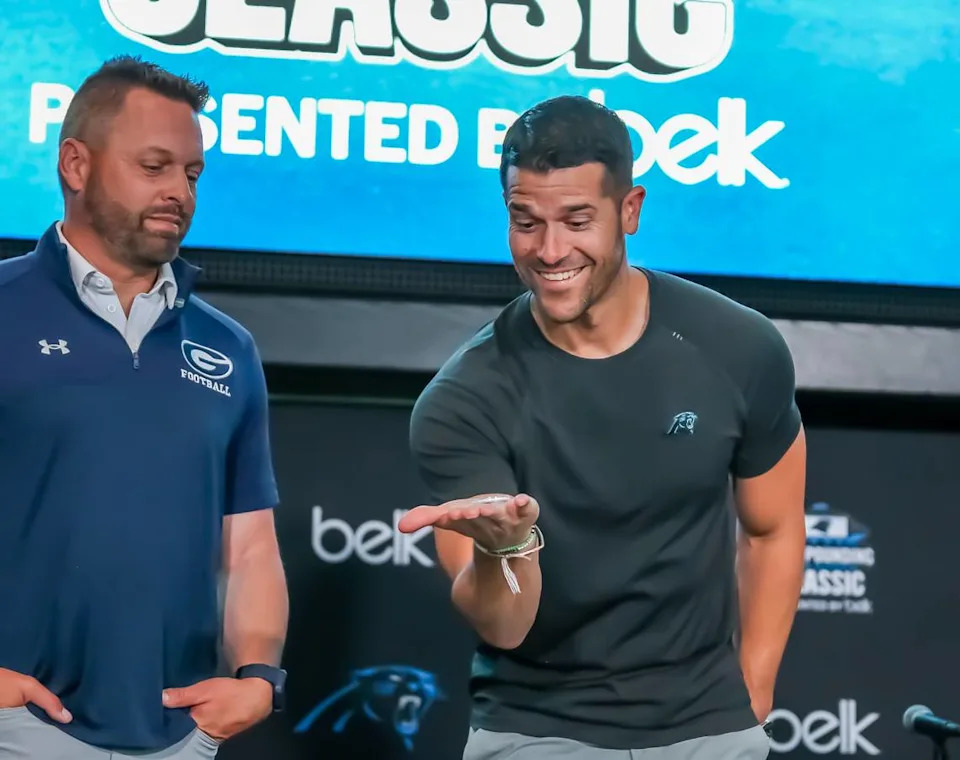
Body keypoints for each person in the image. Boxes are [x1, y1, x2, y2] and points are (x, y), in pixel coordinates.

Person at [400, 95, 807, 760]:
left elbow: (773, 528)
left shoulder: (740, 346)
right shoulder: (461, 400)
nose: (550, 250)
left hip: (710, 729)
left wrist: (752, 698)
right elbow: (504, 626)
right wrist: (507, 550)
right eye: (525, 222)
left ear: (630, 211)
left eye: (576, 220)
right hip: (535, 730)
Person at [0, 57, 289, 759]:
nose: (179, 193)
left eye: (191, 174)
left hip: (179, 736)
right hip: (17, 726)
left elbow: (249, 546)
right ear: (76, 163)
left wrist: (256, 680)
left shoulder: (228, 348)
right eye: (154, 166)